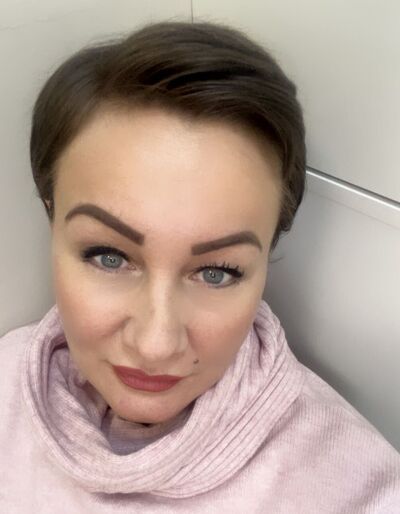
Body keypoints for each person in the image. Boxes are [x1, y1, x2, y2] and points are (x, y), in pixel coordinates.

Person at [0, 19, 399, 513]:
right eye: (109, 256)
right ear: (51, 218)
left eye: (217, 272)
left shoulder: (352, 484)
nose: (156, 344)